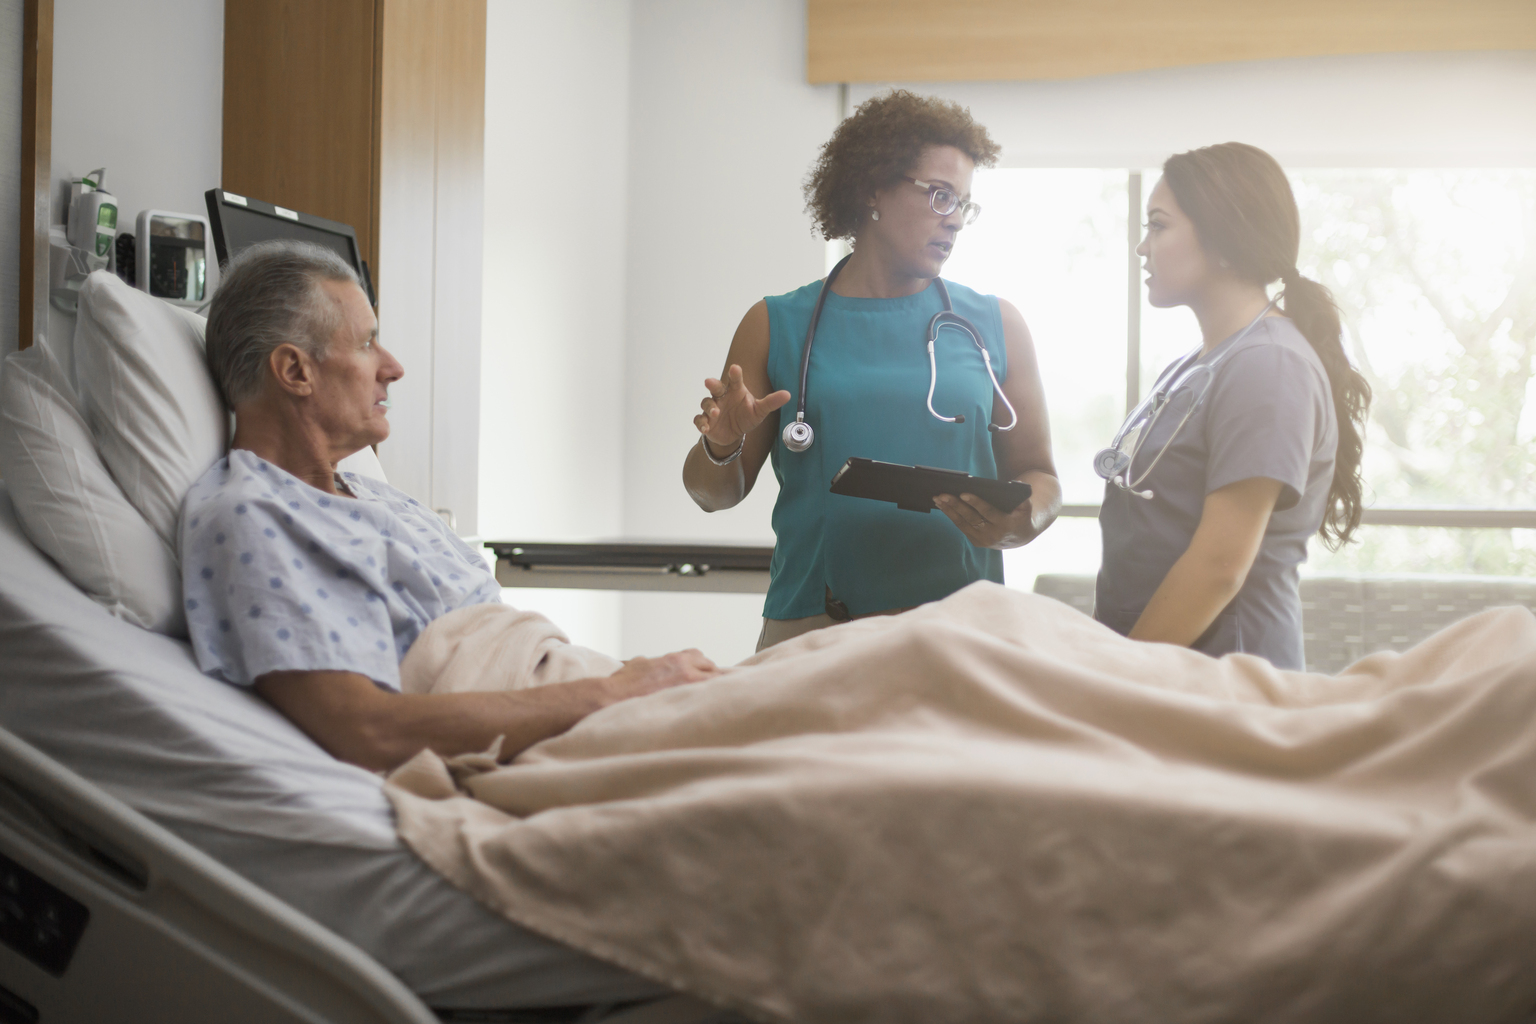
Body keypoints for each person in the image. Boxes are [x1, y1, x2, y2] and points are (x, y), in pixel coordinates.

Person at [180, 240, 718, 772]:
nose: (393, 368)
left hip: (578, 692)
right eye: (368, 344)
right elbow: (367, 730)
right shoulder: (252, 516)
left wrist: (641, 676)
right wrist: (615, 692)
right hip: (558, 728)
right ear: (296, 372)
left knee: (801, 667)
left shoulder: (376, 497)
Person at [682, 90, 1062, 650]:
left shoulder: (996, 325)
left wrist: (1028, 517)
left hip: (964, 636)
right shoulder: (776, 324)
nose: (954, 220)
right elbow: (713, 495)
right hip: (813, 631)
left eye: (963, 203)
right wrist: (721, 446)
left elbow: (1040, 476)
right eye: (938, 196)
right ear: (871, 189)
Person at [1094, 142, 1371, 669]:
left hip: (1228, 678)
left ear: (1223, 240)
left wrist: (1121, 675)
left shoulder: (1269, 364)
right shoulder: (1197, 364)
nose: (1142, 247)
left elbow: (1220, 565)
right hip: (1169, 672)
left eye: (1158, 225)